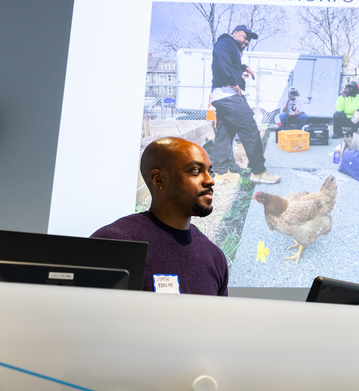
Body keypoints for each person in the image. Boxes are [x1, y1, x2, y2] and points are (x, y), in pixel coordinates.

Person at [91, 137, 229, 296]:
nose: (210, 181)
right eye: (196, 171)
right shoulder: (116, 243)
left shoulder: (214, 257)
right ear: (159, 179)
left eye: (210, 172)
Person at [210, 24, 280, 184]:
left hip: (220, 96)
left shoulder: (228, 46)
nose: (246, 40)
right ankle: (258, 171)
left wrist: (242, 67)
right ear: (235, 33)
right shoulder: (226, 42)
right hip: (229, 96)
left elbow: (227, 61)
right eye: (244, 36)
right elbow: (221, 57)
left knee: (224, 133)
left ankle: (221, 173)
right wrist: (234, 80)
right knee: (250, 128)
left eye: (249, 39)